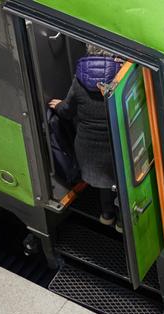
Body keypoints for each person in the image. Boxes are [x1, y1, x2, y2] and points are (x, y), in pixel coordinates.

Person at [49, 44, 122, 229]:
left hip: (87, 146)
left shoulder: (79, 81)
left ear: (89, 53)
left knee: (103, 184)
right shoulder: (120, 79)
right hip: (115, 143)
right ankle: (123, 221)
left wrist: (58, 105)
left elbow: (67, 111)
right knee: (121, 182)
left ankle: (107, 215)